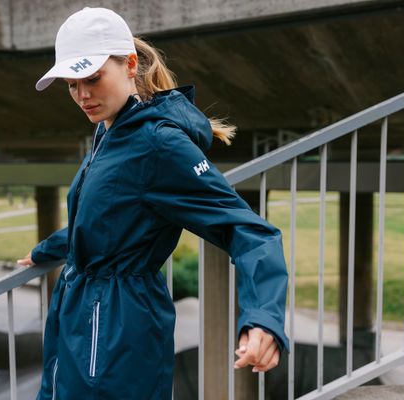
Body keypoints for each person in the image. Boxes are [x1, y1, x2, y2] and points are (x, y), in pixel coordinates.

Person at [17, 7, 289, 400]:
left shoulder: (158, 144)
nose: (82, 95)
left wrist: (263, 318)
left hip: (119, 329)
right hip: (81, 315)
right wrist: (48, 249)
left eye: (92, 78)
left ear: (130, 65)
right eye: (71, 85)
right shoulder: (108, 131)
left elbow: (249, 231)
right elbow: (106, 216)